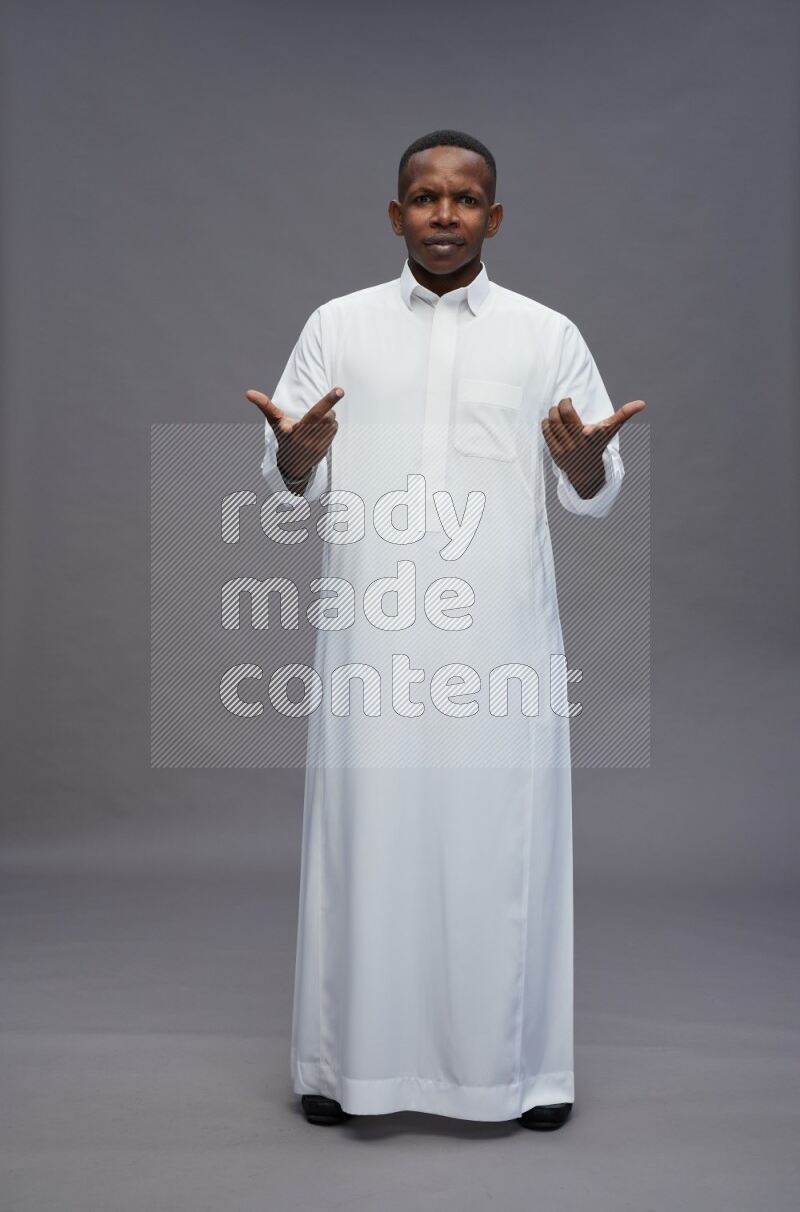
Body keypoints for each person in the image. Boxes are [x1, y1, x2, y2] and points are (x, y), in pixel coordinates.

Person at [246, 130, 645, 1131]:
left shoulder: (545, 335)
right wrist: (295, 457)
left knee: (498, 847)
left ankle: (522, 1075)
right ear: (395, 214)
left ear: (493, 218)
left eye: (464, 199)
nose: (443, 213)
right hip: (372, 636)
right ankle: (341, 1066)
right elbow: (287, 481)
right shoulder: (336, 326)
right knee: (364, 843)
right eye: (424, 197)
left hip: (497, 642)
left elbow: (594, 486)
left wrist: (582, 465)